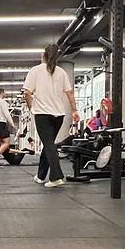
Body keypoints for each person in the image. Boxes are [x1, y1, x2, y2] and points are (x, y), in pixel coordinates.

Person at [23, 44, 79, 188]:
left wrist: (31, 107)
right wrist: (74, 111)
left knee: (49, 144)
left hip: (42, 114)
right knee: (48, 144)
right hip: (59, 115)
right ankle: (41, 175)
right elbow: (70, 93)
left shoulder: (35, 70)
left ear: (43, 55)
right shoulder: (61, 72)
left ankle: (56, 177)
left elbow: (27, 93)